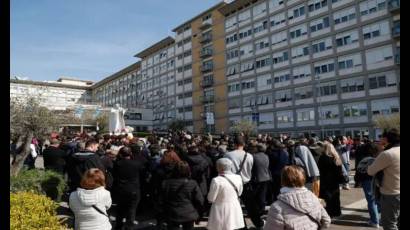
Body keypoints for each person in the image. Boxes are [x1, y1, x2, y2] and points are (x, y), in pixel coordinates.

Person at [264, 165, 331, 230]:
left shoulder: (277, 207)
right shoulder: (313, 198)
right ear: (303, 179)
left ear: (282, 180)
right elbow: (327, 221)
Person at [368, 129, 400, 230]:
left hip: (391, 194)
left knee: (389, 224)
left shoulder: (387, 154)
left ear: (385, 139)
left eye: (381, 137)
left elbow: (370, 171)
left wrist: (380, 150)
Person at [158, 161, 204, 230]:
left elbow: (160, 200)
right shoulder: (192, 183)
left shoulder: (165, 183)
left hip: (171, 212)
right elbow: (200, 200)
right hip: (188, 212)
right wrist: (195, 210)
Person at [224, 135, 254, 228]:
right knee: (250, 206)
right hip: (246, 183)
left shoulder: (228, 155)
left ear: (234, 144)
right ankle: (258, 222)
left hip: (233, 184)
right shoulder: (249, 155)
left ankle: (241, 226)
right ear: (244, 144)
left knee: (236, 207)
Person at [112, 146, 144, 230]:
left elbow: (114, 175)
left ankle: (118, 226)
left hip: (121, 189)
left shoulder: (117, 163)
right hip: (133, 190)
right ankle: (128, 226)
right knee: (132, 209)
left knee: (120, 209)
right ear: (130, 154)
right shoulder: (136, 164)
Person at [207, 158, 245, 230]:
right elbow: (240, 193)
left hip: (220, 207)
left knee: (221, 227)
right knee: (232, 226)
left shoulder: (216, 180)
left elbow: (211, 198)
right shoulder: (238, 177)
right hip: (234, 205)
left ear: (219, 167)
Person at [355, 142, 381, 228]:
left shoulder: (363, 159)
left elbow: (358, 171)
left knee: (371, 201)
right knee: (377, 200)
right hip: (377, 181)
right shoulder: (377, 158)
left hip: (367, 181)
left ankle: (374, 221)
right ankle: (378, 219)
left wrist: (358, 181)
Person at [318, 142, 347, 218]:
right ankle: (337, 212)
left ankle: (330, 213)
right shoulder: (336, 158)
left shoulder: (323, 158)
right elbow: (340, 171)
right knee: (336, 197)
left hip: (326, 180)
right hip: (335, 181)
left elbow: (320, 169)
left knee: (329, 198)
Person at [249, 142, 271, 229]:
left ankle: (257, 212)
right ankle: (261, 210)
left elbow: (252, 168)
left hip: (257, 179)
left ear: (257, 148)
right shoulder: (266, 156)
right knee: (262, 195)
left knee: (255, 196)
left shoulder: (254, 156)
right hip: (266, 177)